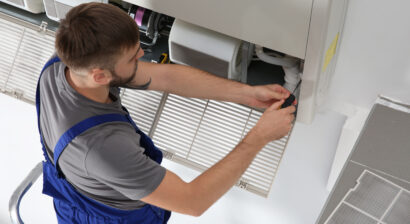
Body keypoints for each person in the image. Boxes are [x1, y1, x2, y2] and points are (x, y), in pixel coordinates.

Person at [36, 2, 296, 224]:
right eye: (133, 58)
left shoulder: (63, 65)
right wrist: (259, 137)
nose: (142, 53)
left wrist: (246, 94)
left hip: (85, 188)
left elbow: (166, 77)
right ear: (100, 76)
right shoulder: (103, 149)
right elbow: (193, 201)